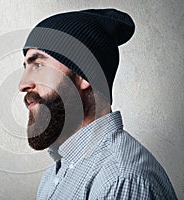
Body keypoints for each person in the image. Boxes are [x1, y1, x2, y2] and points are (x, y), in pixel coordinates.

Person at [18, 8, 178, 199]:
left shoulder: (120, 179)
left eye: (38, 65)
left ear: (85, 72)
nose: (22, 84)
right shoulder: (56, 175)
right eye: (26, 67)